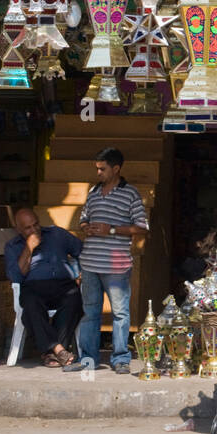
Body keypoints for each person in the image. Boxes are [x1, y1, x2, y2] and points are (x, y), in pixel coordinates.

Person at [64, 148, 149, 375]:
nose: (98, 172)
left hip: (117, 266)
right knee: (90, 313)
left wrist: (110, 229)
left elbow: (142, 228)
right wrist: (86, 227)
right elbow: (84, 218)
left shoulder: (131, 194)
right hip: (90, 264)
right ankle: (87, 358)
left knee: (120, 313)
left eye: (102, 169)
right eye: (97, 168)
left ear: (116, 169)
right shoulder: (93, 192)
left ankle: (121, 358)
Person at [4, 207, 83, 368]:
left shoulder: (57, 235)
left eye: (36, 224)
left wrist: (82, 275)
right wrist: (29, 248)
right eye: (28, 228)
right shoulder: (13, 246)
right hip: (33, 287)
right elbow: (16, 276)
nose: (34, 230)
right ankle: (59, 349)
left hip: (63, 284)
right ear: (18, 229)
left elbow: (83, 251)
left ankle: (51, 354)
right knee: (30, 306)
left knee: (75, 299)